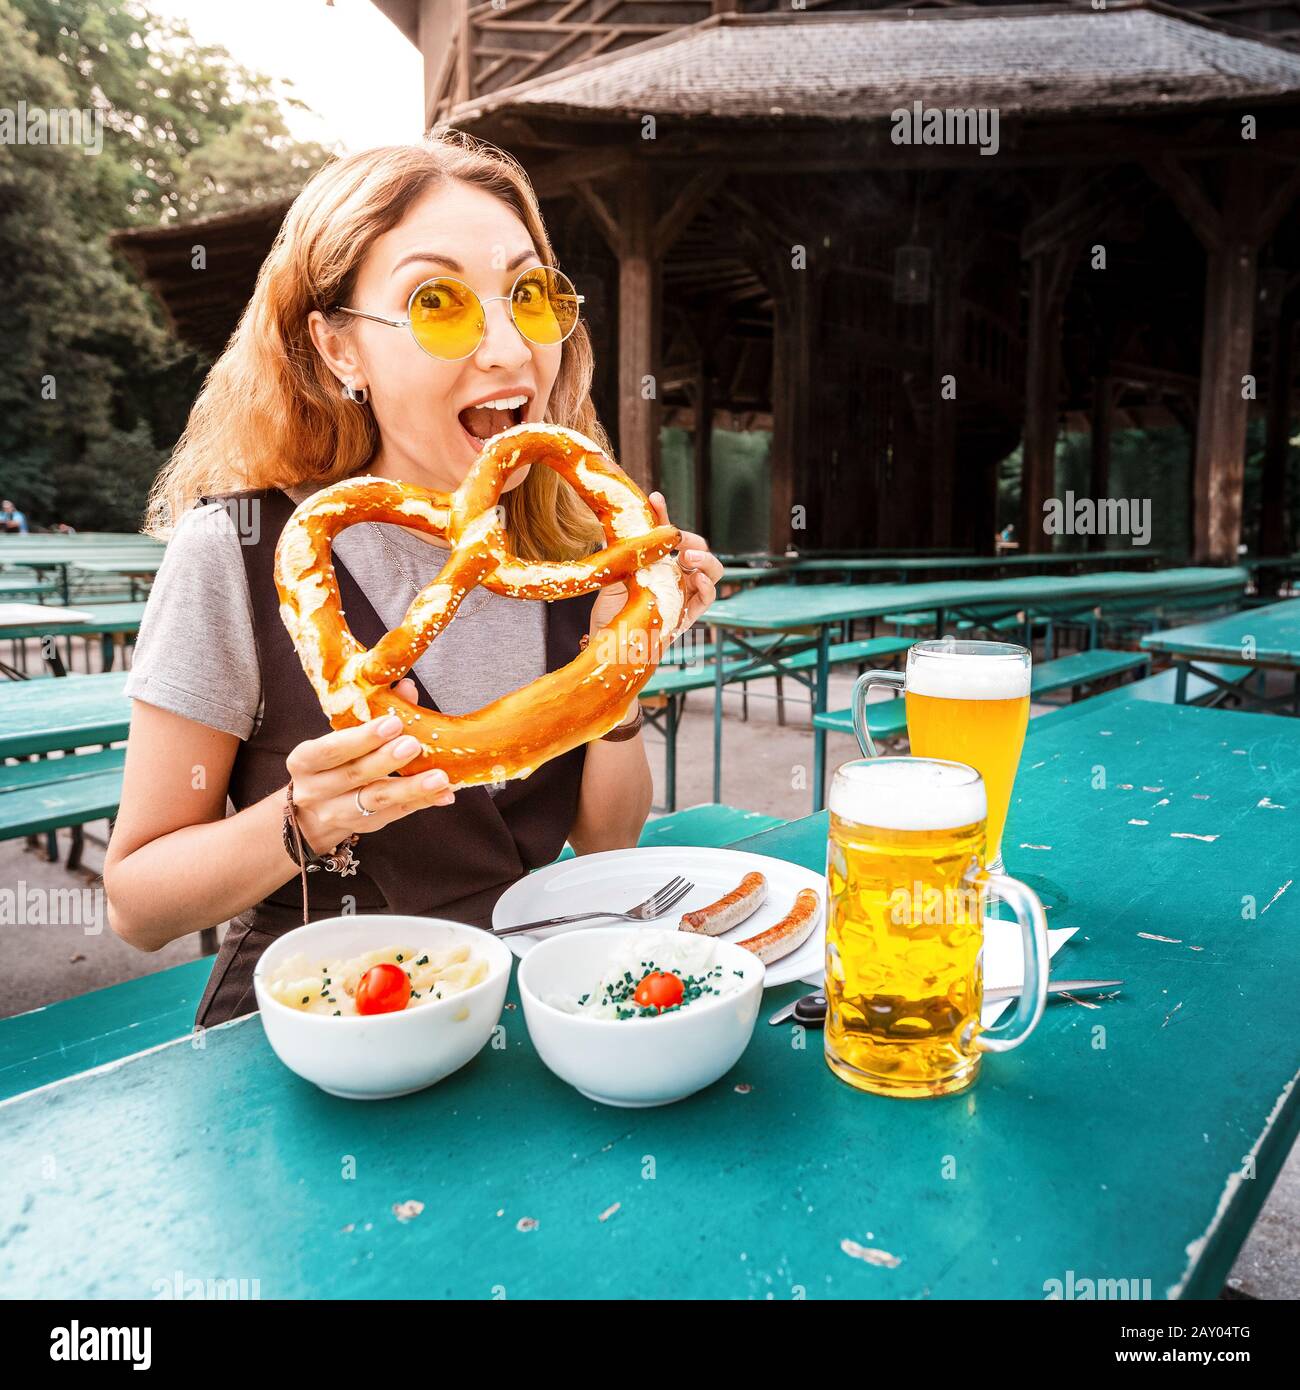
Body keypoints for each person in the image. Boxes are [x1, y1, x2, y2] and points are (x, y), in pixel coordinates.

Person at [103, 135, 723, 1028]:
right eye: (439, 303)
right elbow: (137, 905)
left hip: (521, 1013)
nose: (510, 349)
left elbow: (606, 837)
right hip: (319, 1038)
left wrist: (621, 661)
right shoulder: (238, 550)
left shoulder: (570, 546)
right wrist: (307, 817)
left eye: (528, 294)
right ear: (340, 348)